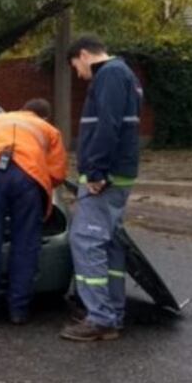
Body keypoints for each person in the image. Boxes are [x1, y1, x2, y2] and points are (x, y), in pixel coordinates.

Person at [61, 35, 143, 342]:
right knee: (108, 244)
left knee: (86, 240)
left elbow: (108, 125)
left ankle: (101, 318)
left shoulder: (108, 75)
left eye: (75, 66)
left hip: (105, 176)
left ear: (83, 55)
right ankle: (111, 312)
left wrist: (95, 171)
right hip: (119, 172)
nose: (79, 74)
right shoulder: (126, 75)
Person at [0, 98, 68, 327]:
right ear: (44, 117)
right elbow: (57, 173)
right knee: (25, 244)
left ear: (22, 109)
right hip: (29, 179)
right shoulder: (48, 130)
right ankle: (18, 311)